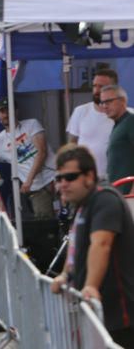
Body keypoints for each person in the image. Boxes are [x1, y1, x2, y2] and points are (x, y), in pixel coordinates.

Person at [51, 145, 134, 347]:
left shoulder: (104, 199)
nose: (63, 184)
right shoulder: (83, 203)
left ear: (89, 176)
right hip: (99, 312)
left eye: (70, 177)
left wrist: (91, 286)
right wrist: (65, 275)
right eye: (59, 179)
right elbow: (76, 248)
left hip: (120, 315)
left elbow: (101, 243)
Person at [0, 100, 55, 219]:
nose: (5, 114)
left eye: (8, 110)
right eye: (2, 111)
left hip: (54, 178)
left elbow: (42, 152)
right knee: (47, 226)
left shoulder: (32, 124)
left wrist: (28, 180)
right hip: (37, 190)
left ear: (16, 111)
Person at [67, 69, 118, 180]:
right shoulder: (80, 111)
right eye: (95, 86)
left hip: (119, 179)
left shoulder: (128, 115)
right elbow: (72, 145)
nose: (97, 90)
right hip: (87, 179)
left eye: (102, 86)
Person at [101, 85, 134, 192]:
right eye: (103, 103)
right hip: (119, 194)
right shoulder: (119, 125)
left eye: (109, 101)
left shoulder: (131, 122)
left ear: (123, 101)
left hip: (128, 196)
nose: (105, 106)